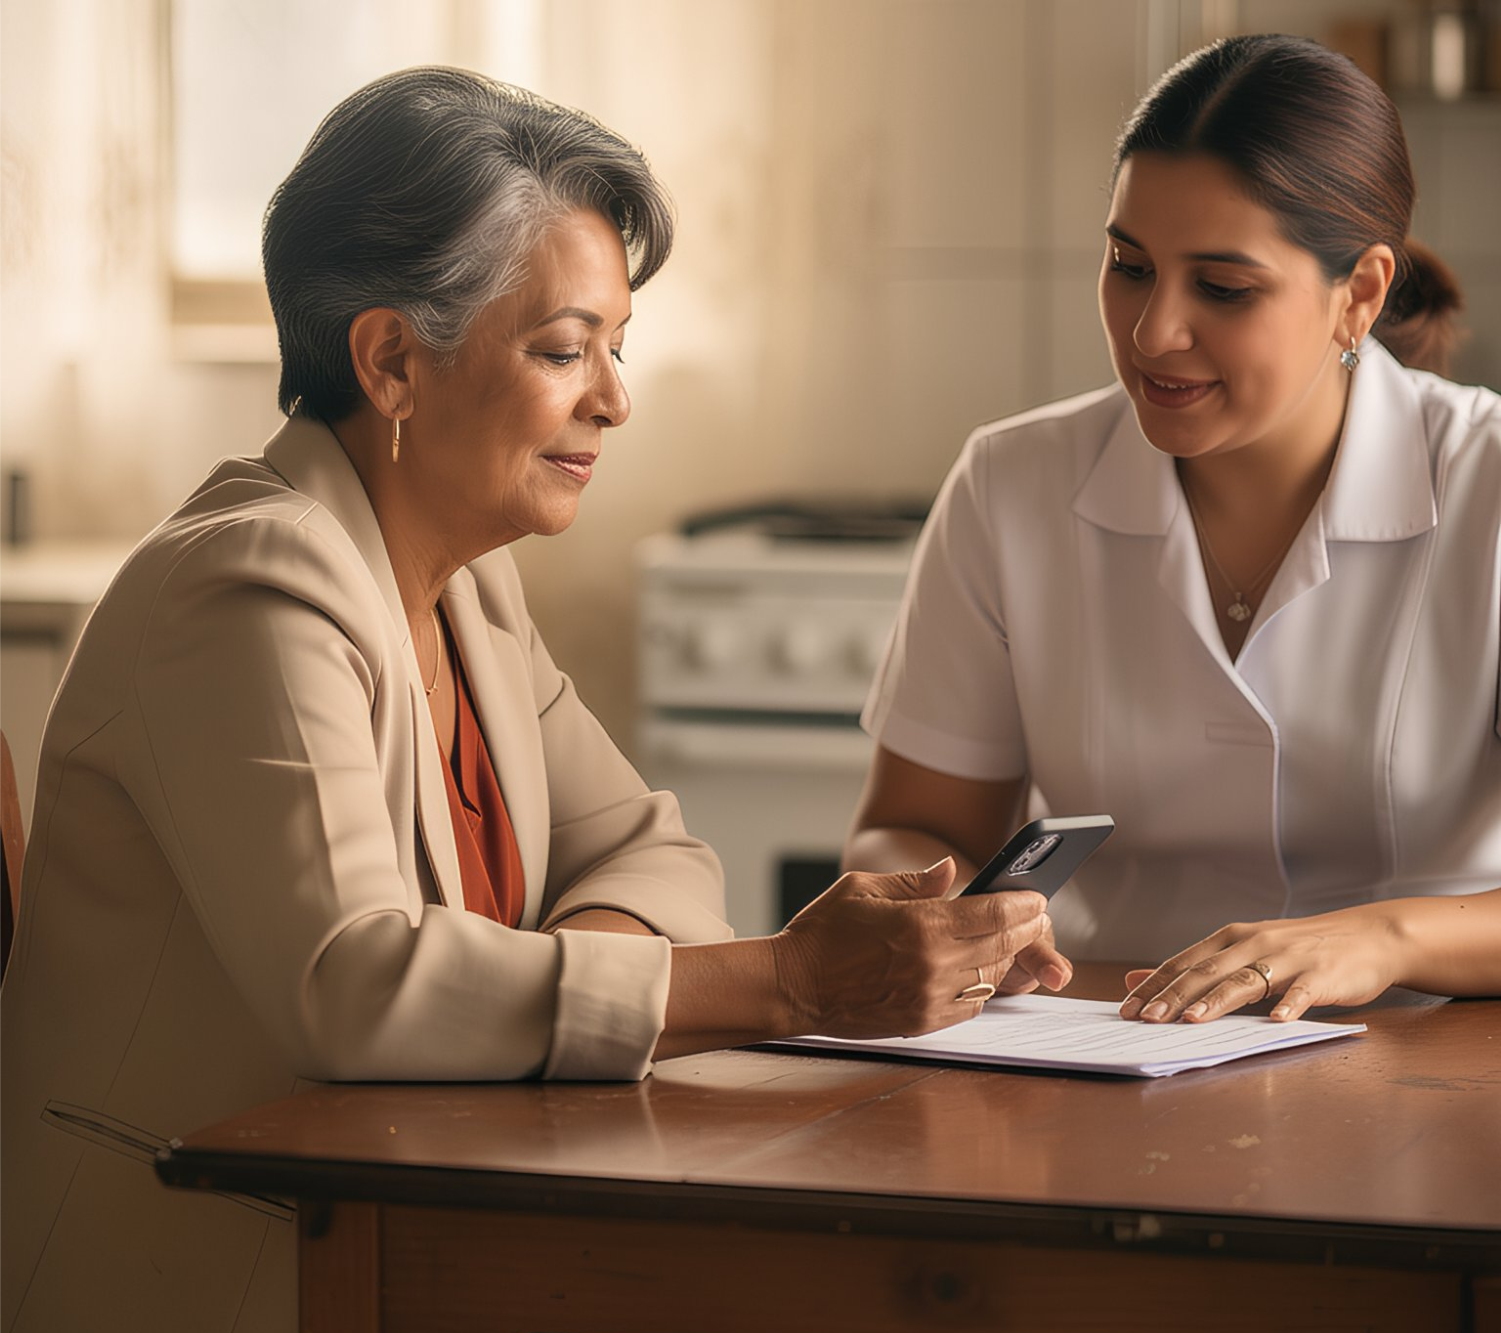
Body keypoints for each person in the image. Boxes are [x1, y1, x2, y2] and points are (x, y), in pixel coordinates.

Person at [0, 68, 1051, 1333]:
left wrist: (540, 982)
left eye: (617, 347)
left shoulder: (467, 585)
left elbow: (655, 849)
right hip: (218, 1269)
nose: (614, 398)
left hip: (411, 1221)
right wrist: (788, 982)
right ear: (392, 361)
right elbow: (358, 985)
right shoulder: (247, 587)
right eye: (564, 349)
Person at [847, 34, 1500, 1029]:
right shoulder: (1010, 483)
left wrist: (1380, 938)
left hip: (1424, 1057)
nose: (1152, 331)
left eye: (1223, 288)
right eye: (1129, 266)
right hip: (1106, 1044)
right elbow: (910, 828)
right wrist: (953, 920)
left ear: (1360, 293)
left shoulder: (1485, 482)